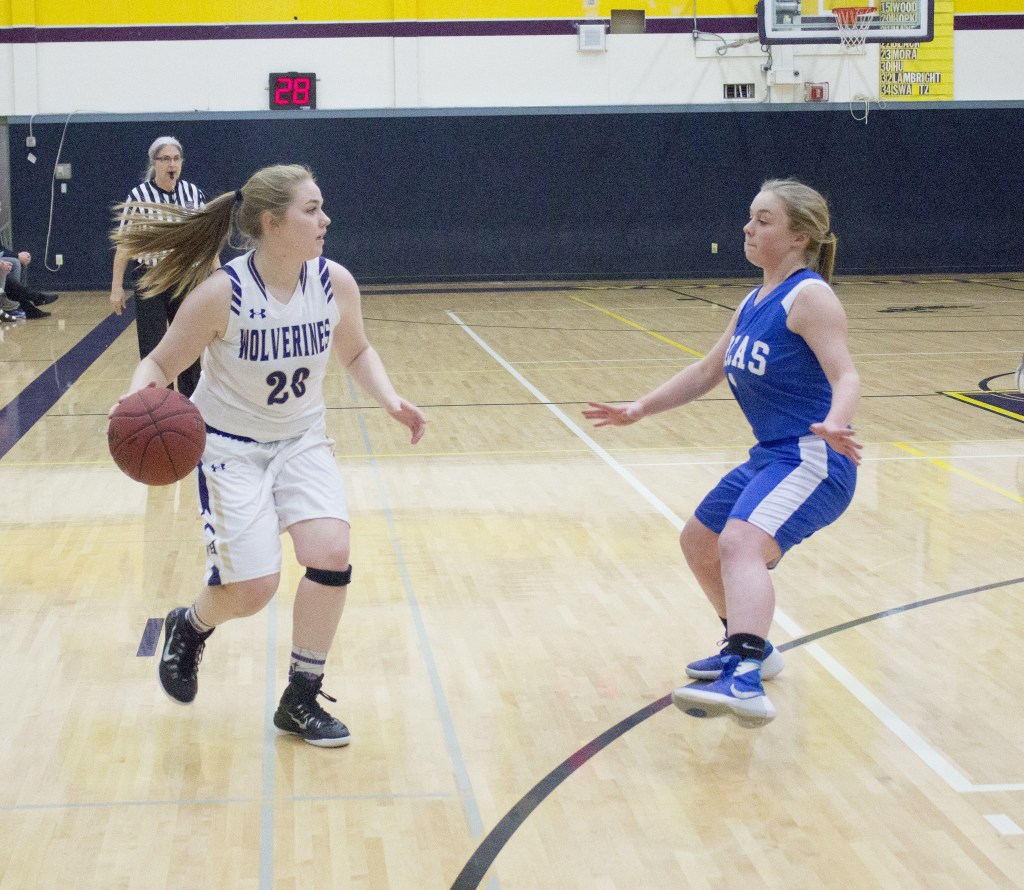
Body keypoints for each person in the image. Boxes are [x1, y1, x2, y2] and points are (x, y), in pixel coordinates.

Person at [108, 164, 427, 747]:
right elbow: (158, 364)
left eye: (322, 206)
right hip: (231, 448)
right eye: (311, 209)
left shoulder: (335, 284)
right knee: (254, 590)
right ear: (271, 222)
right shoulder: (221, 294)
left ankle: (300, 698)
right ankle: (192, 624)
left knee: (331, 550)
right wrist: (134, 399)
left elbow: (355, 352)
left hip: (303, 439)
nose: (325, 218)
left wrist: (390, 398)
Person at [583, 178, 861, 727]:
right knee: (699, 540)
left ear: (799, 236)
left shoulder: (810, 297)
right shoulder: (755, 299)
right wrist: (640, 407)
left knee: (739, 544)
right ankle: (749, 643)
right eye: (750, 217)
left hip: (814, 458)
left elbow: (846, 373)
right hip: (773, 455)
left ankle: (746, 679)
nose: (748, 228)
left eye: (763, 220)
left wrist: (835, 421)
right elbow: (708, 371)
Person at [110, 137, 211, 396]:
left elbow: (205, 239)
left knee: (188, 342)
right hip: (151, 277)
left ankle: (192, 404)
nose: (171, 164)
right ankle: (160, 404)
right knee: (153, 345)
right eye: (165, 159)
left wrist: (217, 274)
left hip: (185, 276)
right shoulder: (139, 196)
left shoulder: (193, 193)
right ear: (154, 163)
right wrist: (116, 287)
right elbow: (124, 244)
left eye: (176, 158)